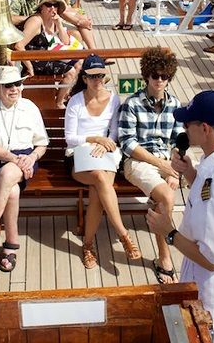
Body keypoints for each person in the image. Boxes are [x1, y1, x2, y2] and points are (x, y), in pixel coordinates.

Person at [146, 90, 214, 343]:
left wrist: (168, 232)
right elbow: (205, 190)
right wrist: (191, 173)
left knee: (200, 333)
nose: (183, 128)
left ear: (205, 128)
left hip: (208, 276)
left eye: (187, 123)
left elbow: (212, 259)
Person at [64, 55, 141, 268]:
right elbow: (70, 138)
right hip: (79, 152)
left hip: (106, 151)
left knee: (97, 191)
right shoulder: (75, 101)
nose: (97, 80)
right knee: (99, 178)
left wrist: (106, 143)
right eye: (92, 76)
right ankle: (123, 234)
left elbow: (114, 132)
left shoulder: (114, 99)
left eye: (100, 75)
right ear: (84, 79)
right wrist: (96, 139)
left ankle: (88, 246)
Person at [0, 66, 48, 272]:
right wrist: (13, 159)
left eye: (17, 83)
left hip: (25, 158)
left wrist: (31, 158)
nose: (14, 88)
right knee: (12, 191)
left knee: (7, 173)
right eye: (8, 85)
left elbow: (42, 144)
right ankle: (11, 241)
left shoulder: (30, 108)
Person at [119, 46, 183, 282]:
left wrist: (175, 169)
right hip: (138, 161)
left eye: (164, 76)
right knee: (167, 197)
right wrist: (163, 166)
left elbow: (178, 141)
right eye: (155, 75)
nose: (159, 80)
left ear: (169, 77)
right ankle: (164, 258)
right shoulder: (132, 104)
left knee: (196, 181)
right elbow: (127, 144)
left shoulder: (175, 104)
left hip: (166, 160)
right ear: (146, 75)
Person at [14, 0, 83, 109]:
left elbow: (66, 42)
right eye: (49, 5)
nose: (53, 8)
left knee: (79, 62)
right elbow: (19, 46)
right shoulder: (36, 21)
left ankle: (65, 94)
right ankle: (59, 103)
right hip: (34, 59)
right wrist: (29, 67)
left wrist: (59, 24)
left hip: (47, 56)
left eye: (55, 5)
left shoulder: (52, 20)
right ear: (41, 7)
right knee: (70, 71)